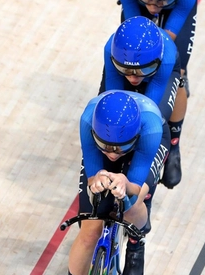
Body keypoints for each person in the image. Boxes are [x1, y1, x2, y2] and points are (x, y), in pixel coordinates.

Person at [117, 0, 199, 184]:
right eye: (148, 1)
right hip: (140, 9)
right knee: (131, 56)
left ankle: (173, 146)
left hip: (176, 12)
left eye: (160, 2)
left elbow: (165, 41)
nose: (153, 7)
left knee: (177, 71)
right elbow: (138, 25)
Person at [67, 90, 170, 275]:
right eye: (107, 148)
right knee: (89, 232)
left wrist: (125, 182)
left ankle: (136, 244)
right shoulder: (87, 121)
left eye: (119, 150)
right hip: (116, 140)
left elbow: (135, 186)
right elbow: (92, 174)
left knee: (132, 205)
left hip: (144, 146)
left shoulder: (151, 128)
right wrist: (96, 179)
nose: (113, 154)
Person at [99, 15, 182, 189]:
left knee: (154, 122)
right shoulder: (110, 49)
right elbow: (113, 94)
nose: (132, 78)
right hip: (137, 64)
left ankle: (173, 145)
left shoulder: (165, 56)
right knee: (111, 114)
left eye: (138, 72)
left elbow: (149, 109)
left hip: (160, 76)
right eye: (126, 71)